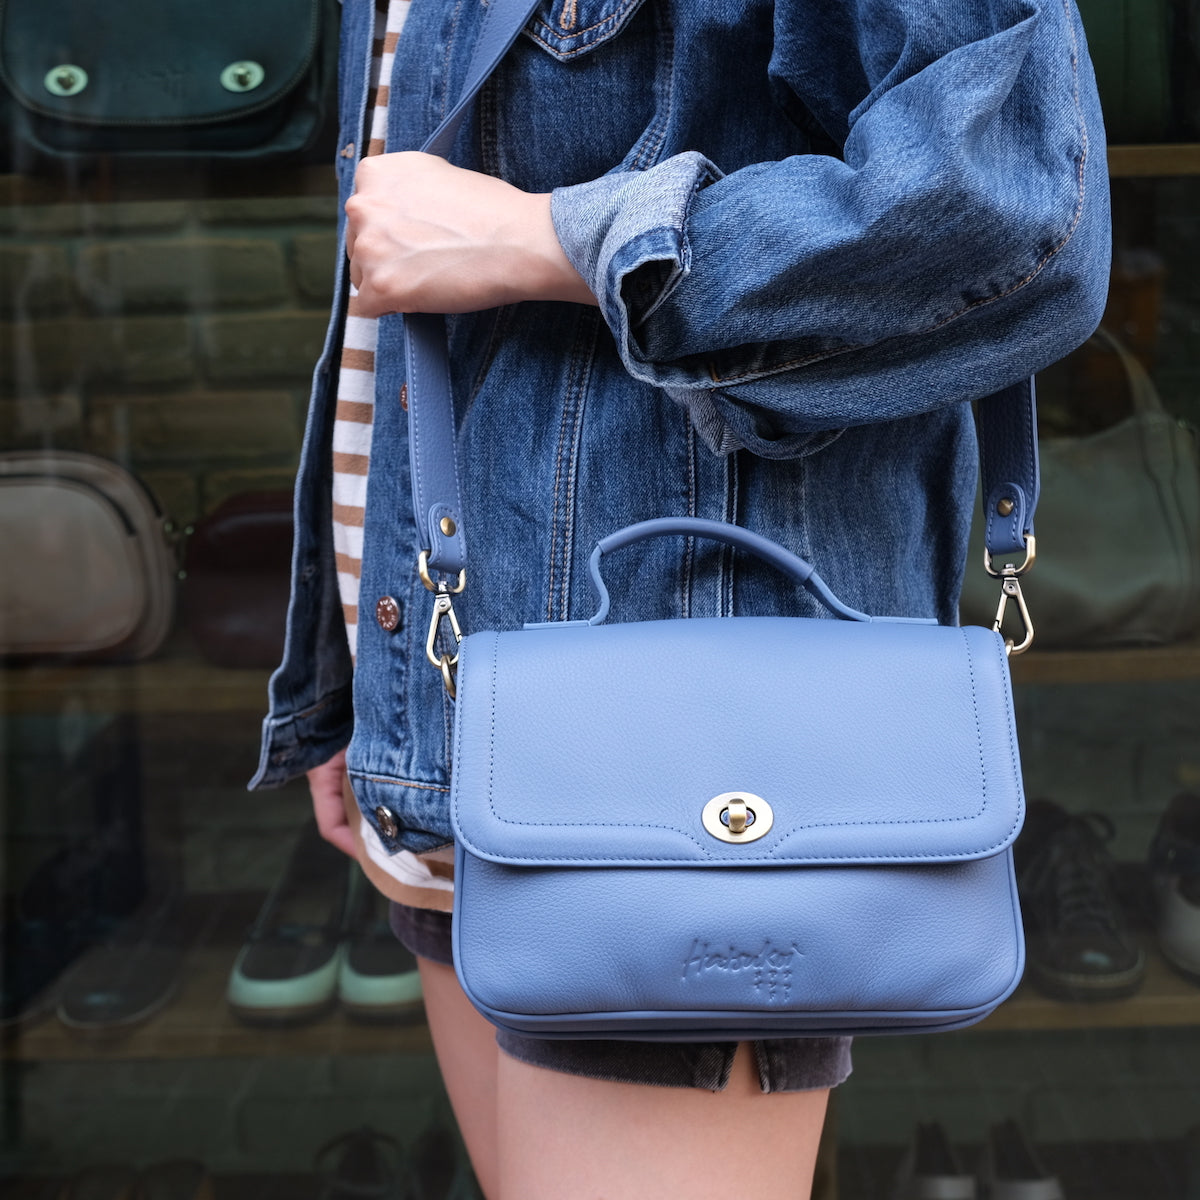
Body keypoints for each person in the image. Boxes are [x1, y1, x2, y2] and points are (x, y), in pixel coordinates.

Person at [252, 1, 1111, 1195]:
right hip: (457, 714)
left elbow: (1016, 212)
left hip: (689, 759)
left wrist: (555, 241)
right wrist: (355, 676)